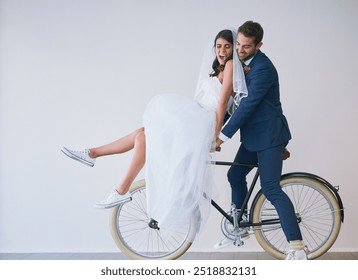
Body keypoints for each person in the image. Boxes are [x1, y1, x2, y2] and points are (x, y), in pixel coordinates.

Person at [62, 28, 248, 237]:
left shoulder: (231, 65)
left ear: (234, 48)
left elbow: (222, 102)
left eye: (227, 46)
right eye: (218, 46)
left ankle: (115, 183)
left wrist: (216, 136)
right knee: (143, 134)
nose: (222, 51)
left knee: (146, 133)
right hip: (196, 118)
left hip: (204, 124)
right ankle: (94, 156)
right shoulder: (220, 67)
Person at [215, 21, 307, 260]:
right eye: (239, 44)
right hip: (254, 136)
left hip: (269, 136)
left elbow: (247, 106)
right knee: (234, 175)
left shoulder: (264, 68)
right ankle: (239, 225)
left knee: (271, 188)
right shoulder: (239, 64)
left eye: (247, 46)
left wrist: (222, 136)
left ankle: (297, 247)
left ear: (259, 45)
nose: (241, 49)